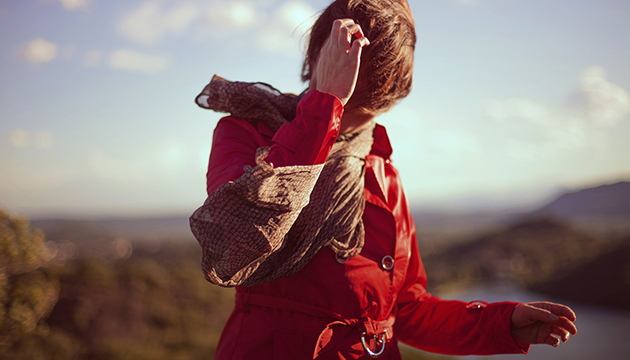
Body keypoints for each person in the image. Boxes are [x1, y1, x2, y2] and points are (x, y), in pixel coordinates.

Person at [190, 0, 578, 359]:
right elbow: (235, 239)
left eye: (372, 110)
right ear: (321, 61)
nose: (354, 129)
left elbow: (405, 309)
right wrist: (325, 105)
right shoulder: (248, 132)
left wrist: (501, 322)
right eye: (352, 106)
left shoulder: (381, 169)